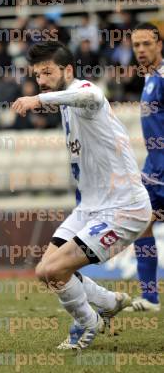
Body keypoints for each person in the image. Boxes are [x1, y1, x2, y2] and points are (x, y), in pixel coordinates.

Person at [12, 41, 151, 350]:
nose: (42, 80)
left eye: (47, 72)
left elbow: (92, 95)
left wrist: (38, 98)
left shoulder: (84, 94)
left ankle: (90, 324)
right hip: (90, 207)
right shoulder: (65, 106)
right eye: (38, 76)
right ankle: (108, 301)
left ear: (68, 70)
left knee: (54, 270)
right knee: (44, 272)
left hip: (123, 207)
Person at [126, 23, 164, 312]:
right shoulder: (149, 78)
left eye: (146, 44)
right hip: (154, 171)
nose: (140, 50)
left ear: (159, 44)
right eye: (136, 45)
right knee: (142, 225)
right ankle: (150, 296)